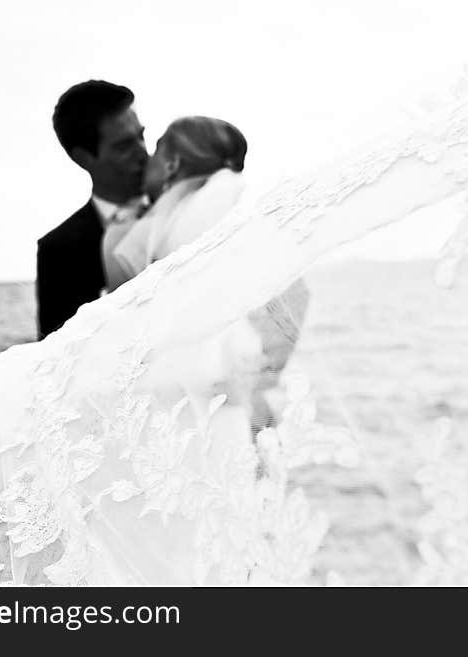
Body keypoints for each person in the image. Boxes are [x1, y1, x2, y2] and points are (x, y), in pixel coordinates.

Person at [108, 116, 310, 432]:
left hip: (167, 403)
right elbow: (298, 295)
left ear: (172, 164)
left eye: (157, 152)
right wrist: (264, 375)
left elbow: (123, 337)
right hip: (233, 396)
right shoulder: (245, 228)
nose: (148, 162)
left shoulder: (131, 237)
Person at [35, 80, 149, 340]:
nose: (142, 152)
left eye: (141, 136)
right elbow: (57, 363)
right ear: (83, 158)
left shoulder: (189, 209)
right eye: (123, 146)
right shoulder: (58, 251)